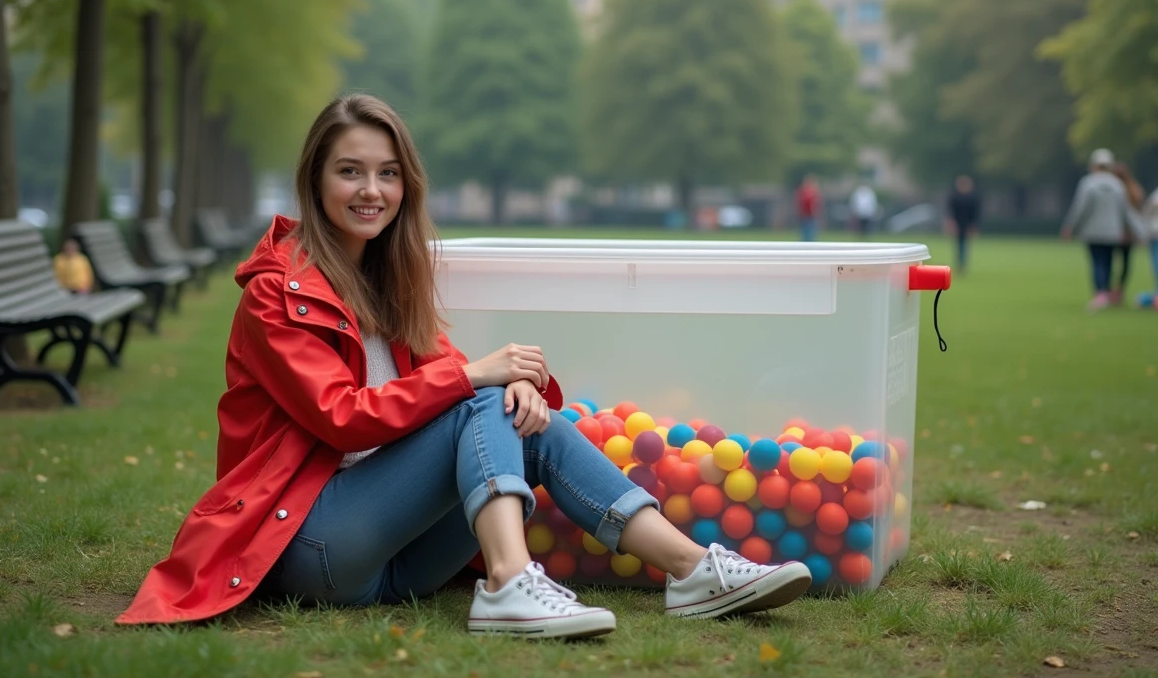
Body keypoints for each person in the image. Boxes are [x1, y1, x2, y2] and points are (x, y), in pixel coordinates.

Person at [116, 94, 811, 637]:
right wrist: (483, 378)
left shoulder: (390, 285)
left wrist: (520, 393)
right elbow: (343, 420)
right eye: (350, 171)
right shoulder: (278, 293)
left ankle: (691, 572)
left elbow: (456, 391)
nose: (371, 190)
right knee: (478, 397)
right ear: (314, 180)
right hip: (311, 544)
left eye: (388, 174)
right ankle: (510, 583)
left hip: (396, 557)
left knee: (508, 412)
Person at [1060, 148, 1146, 312]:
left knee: (1097, 262)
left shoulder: (1088, 183)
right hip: (1112, 233)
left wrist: (1070, 227)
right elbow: (1126, 211)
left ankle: (1101, 293)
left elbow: (1080, 209)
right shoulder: (1117, 185)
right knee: (1107, 262)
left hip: (1092, 232)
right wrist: (1140, 232)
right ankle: (1105, 292)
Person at [1110, 162, 1147, 305]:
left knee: (1112, 260)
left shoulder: (1117, 189)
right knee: (1125, 263)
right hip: (1128, 232)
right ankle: (1119, 289)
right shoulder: (1134, 189)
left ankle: (1111, 290)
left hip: (1116, 231)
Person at [945, 175, 981, 275]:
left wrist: (973, 226)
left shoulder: (973, 198)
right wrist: (951, 223)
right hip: (957, 223)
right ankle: (959, 264)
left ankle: (962, 264)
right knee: (959, 245)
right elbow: (950, 212)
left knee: (964, 245)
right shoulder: (955, 197)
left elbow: (975, 213)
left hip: (968, 224)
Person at [795, 174, 823, 242]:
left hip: (808, 217)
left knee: (809, 235)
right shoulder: (808, 192)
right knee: (808, 235)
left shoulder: (805, 192)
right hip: (807, 216)